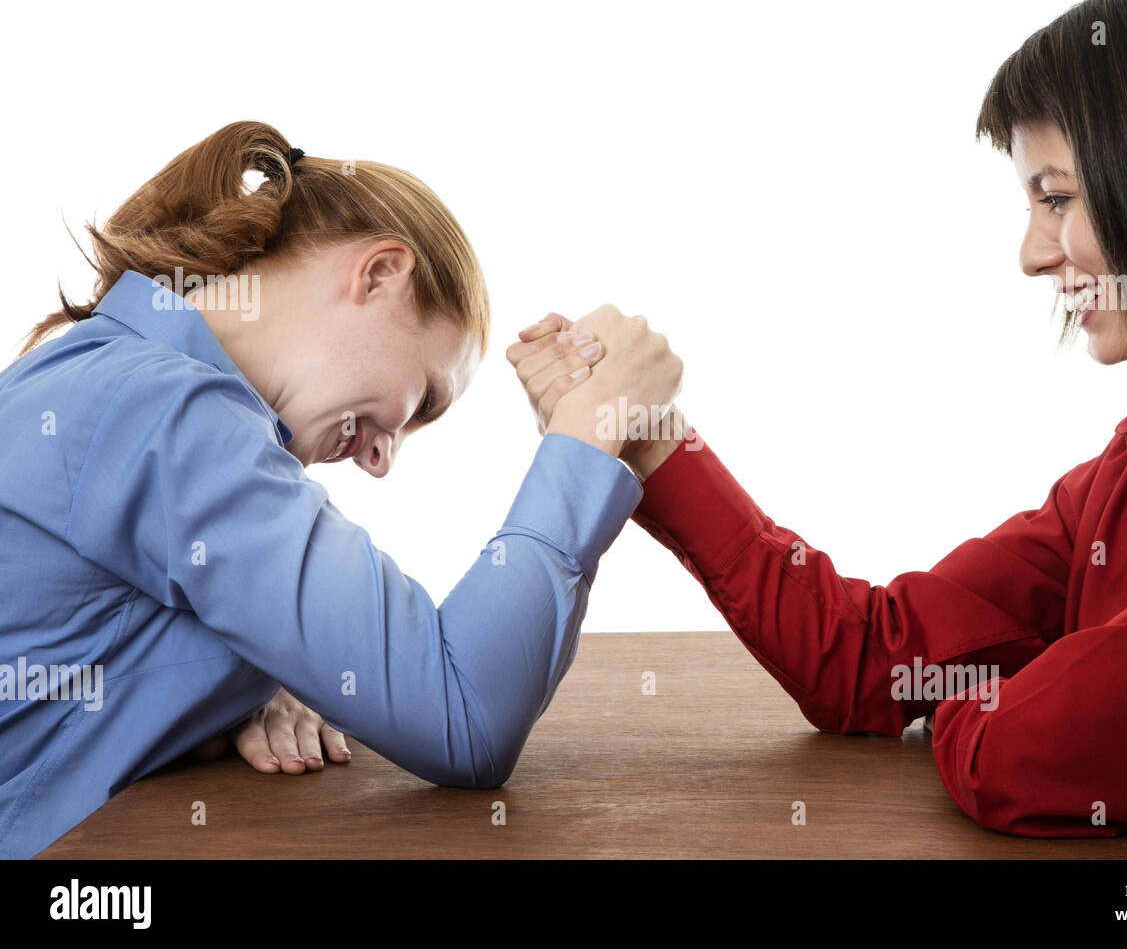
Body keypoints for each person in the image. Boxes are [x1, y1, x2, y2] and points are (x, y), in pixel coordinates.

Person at [510, 0, 1127, 858]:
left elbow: (1023, 756)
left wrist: (1000, 699)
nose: (1032, 255)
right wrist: (651, 438)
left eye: (1058, 199)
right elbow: (865, 659)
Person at [0, 121, 681, 858]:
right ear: (381, 273)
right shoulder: (172, 416)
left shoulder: (100, 374)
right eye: (422, 399)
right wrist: (585, 434)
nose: (381, 460)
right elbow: (466, 718)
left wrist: (247, 682)